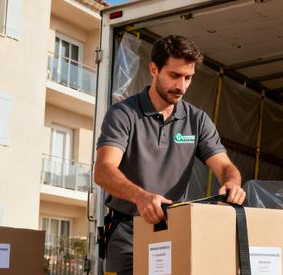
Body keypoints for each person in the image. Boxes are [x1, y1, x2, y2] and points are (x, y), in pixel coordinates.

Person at [94, 34, 245, 275]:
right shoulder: (123, 114)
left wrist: (232, 182)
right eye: (174, 75)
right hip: (127, 231)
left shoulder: (197, 121)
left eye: (188, 78)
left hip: (172, 229)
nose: (181, 87)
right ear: (154, 69)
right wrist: (141, 197)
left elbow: (225, 167)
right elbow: (103, 171)